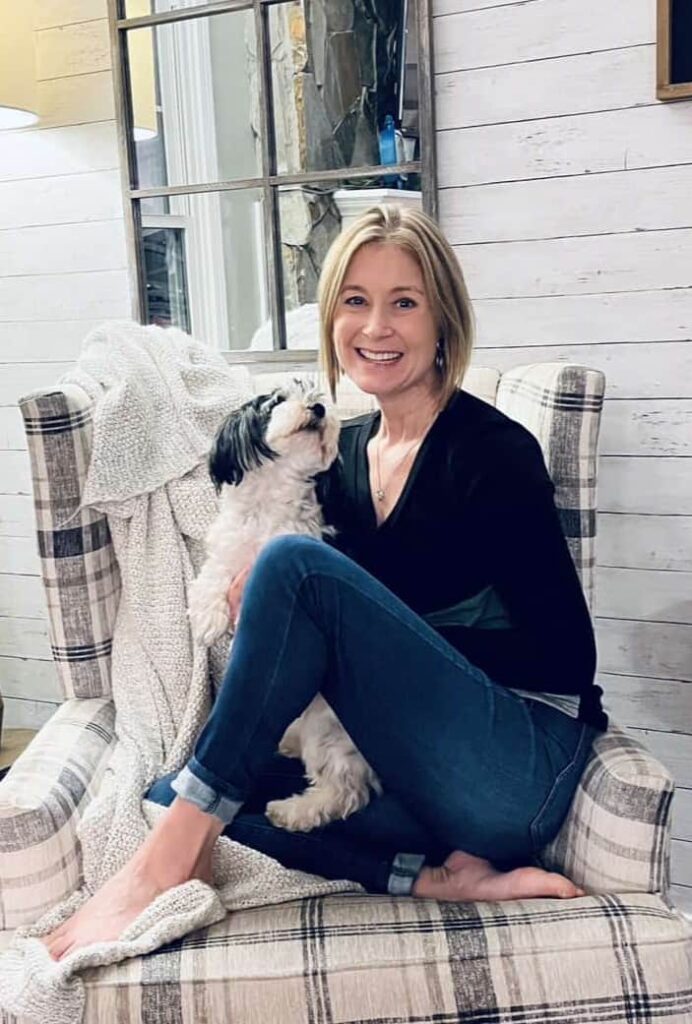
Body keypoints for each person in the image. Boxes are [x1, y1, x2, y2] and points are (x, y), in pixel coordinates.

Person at [43, 205, 607, 961]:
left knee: (287, 569)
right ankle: (430, 878)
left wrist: (375, 640)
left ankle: (160, 869)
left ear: (443, 321)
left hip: (515, 768)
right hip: (409, 778)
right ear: (333, 318)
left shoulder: (492, 453)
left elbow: (569, 659)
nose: (376, 326)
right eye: (355, 301)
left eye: (404, 302)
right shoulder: (339, 460)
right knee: (166, 793)